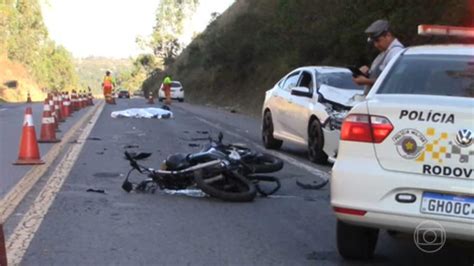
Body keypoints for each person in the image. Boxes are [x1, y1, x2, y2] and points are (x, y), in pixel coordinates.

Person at [353, 19, 404, 95]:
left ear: (388, 35)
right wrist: (365, 73)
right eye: (374, 42)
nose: (376, 45)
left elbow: (394, 81)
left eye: (378, 41)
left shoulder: (396, 53)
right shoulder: (385, 53)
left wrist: (366, 81)